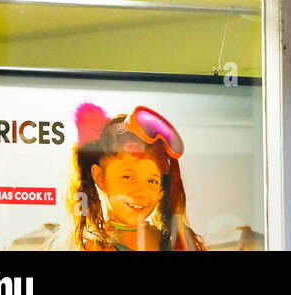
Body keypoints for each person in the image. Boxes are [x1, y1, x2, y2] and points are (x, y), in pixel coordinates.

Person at [47, 103, 205, 251]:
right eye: (128, 177)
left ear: (162, 188)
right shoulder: (93, 246)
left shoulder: (176, 242)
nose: (140, 192)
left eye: (152, 181)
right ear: (100, 177)